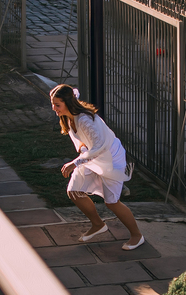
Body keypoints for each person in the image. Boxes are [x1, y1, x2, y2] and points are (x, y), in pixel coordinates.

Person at [49, 84, 145, 250]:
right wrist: (82, 152)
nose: (54, 108)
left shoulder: (85, 120)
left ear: (68, 103)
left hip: (111, 159)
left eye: (57, 105)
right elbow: (81, 143)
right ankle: (98, 225)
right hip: (92, 156)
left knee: (112, 202)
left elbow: (99, 146)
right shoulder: (68, 117)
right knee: (74, 191)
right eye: (53, 104)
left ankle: (137, 236)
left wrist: (75, 163)